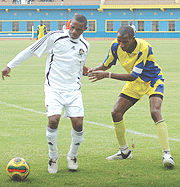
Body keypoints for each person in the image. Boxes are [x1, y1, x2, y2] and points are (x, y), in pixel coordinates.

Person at [2, 13, 90, 173]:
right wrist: (10, 65)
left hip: (74, 91)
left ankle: (72, 156)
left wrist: (87, 71)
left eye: (78, 29)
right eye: (73, 27)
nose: (74, 32)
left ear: (85, 29)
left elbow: (77, 65)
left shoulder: (86, 45)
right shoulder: (54, 37)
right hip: (53, 88)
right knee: (53, 120)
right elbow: (30, 50)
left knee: (78, 124)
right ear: (69, 24)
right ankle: (53, 156)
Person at [88, 25, 174, 169]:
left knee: (155, 112)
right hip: (135, 85)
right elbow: (107, 64)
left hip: (152, 81)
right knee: (116, 113)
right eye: (119, 40)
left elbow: (133, 75)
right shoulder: (115, 46)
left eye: (125, 41)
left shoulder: (143, 47)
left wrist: (107, 75)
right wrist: (94, 70)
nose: (121, 44)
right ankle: (124, 151)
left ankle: (167, 154)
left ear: (133, 39)